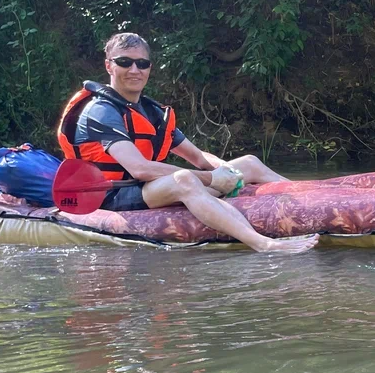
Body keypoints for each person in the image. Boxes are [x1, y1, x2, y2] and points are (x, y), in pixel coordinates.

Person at [56, 33, 317, 253]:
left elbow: (199, 157)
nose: (135, 70)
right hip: (112, 194)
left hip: (147, 189)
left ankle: (314, 197)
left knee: (248, 163)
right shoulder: (100, 111)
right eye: (125, 62)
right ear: (109, 66)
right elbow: (140, 169)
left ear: (149, 67)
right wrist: (211, 179)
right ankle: (264, 245)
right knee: (185, 180)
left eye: (142, 63)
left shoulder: (152, 112)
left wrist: (225, 171)